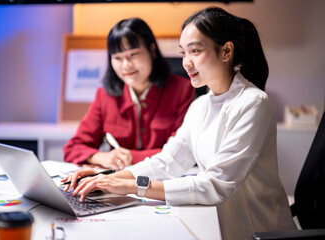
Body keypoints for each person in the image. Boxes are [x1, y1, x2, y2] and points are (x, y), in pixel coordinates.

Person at [62, 7, 296, 239]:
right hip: (218, 223)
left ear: (226, 52)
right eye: (183, 53)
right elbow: (168, 162)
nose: (186, 62)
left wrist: (132, 186)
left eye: (194, 51)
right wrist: (109, 176)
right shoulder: (200, 106)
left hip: (257, 230)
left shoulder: (253, 103)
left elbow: (216, 185)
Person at [63, 18, 194, 170]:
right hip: (116, 184)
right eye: (118, 58)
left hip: (162, 183)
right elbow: (72, 148)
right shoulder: (104, 96)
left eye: (133, 55)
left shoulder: (182, 90)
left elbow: (181, 153)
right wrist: (102, 157)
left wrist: (130, 157)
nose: (126, 65)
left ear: (152, 50)